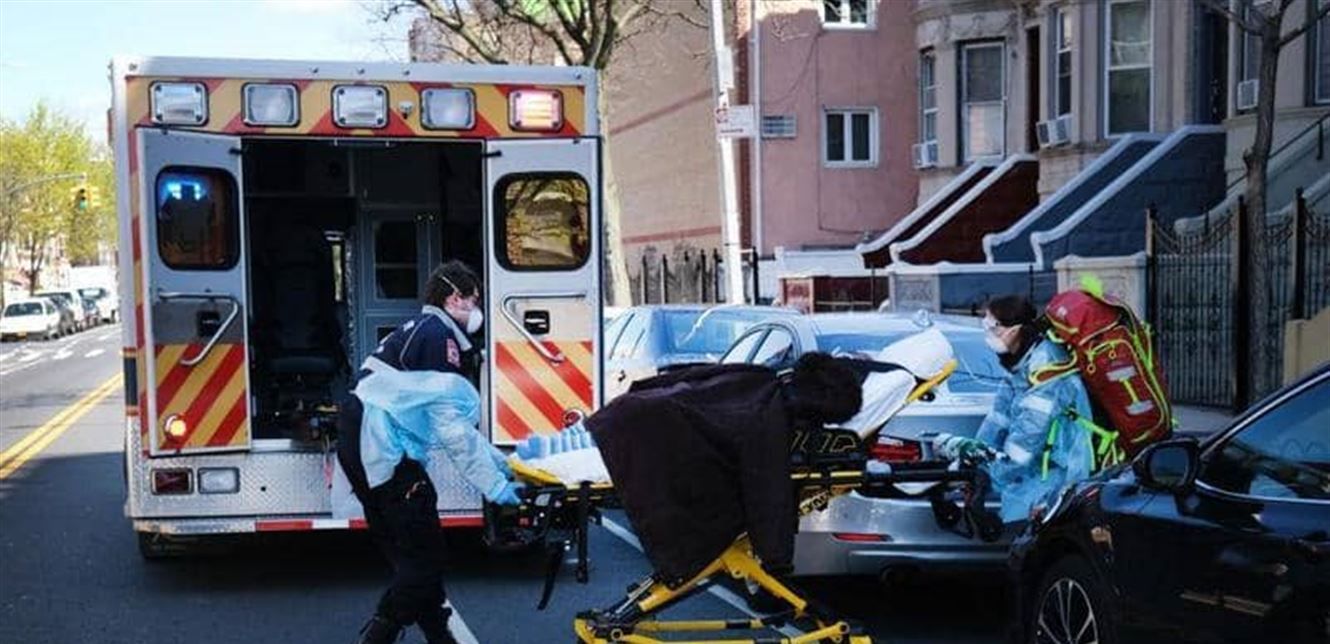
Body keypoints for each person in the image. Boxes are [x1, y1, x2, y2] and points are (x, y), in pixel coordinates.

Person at [338, 260, 523, 644]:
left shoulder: (420, 329)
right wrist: (493, 486)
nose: (476, 309)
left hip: (365, 443)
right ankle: (378, 636)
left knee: (414, 556)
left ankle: (441, 637)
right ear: (454, 298)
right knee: (426, 557)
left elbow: (456, 427)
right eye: (473, 300)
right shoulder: (440, 340)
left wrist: (500, 463)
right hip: (382, 450)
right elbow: (452, 429)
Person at [935, 295, 1093, 523]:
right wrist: (976, 463)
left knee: (1028, 534)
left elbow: (1027, 439)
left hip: (1058, 473)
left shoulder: (1047, 368)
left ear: (1015, 329)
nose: (988, 333)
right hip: (1037, 470)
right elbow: (997, 420)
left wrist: (991, 472)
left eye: (993, 326)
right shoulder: (1021, 364)